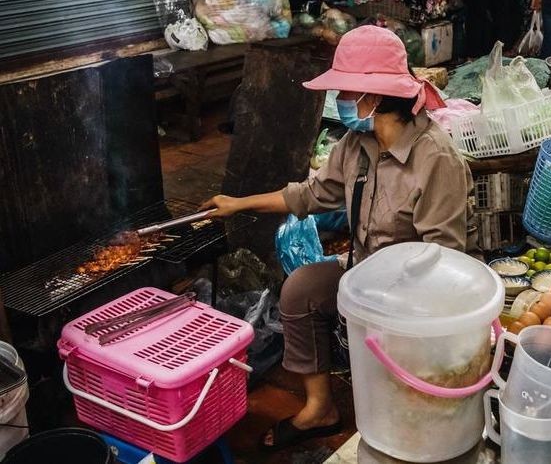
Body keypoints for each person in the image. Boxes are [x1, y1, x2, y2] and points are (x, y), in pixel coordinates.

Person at [200, 26, 478, 450]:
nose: (342, 101)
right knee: (301, 290)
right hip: (364, 278)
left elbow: (442, 261)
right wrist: (238, 204)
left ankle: (405, 418)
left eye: (348, 91)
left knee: (403, 398)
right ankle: (320, 409)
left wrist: (383, 306)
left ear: (376, 98)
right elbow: (311, 195)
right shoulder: (356, 143)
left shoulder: (435, 159)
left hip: (415, 300)